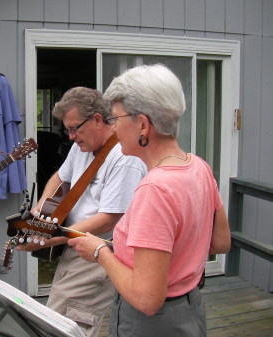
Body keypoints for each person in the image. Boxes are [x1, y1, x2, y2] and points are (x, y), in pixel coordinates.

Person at [69, 64, 232, 337]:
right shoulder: (198, 167)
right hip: (190, 311)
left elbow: (147, 300)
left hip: (152, 324)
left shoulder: (155, 189)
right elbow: (220, 243)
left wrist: (100, 252)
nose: (113, 127)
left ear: (142, 124)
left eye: (116, 118)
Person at [17, 87, 146, 337]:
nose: (71, 136)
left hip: (100, 251)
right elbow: (59, 177)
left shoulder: (124, 157)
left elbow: (110, 218)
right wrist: (41, 208)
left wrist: (54, 234)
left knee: (64, 325)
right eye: (68, 129)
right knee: (58, 315)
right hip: (74, 244)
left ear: (98, 119)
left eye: (75, 128)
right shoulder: (82, 145)